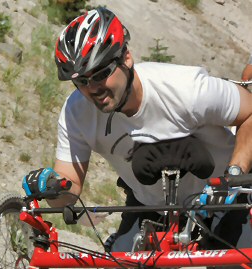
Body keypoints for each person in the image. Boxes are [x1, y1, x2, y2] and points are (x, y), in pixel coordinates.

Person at [22, 7, 252, 258]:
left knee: (236, 260)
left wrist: (235, 172)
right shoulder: (76, 113)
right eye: (82, 82)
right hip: (151, 204)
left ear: (127, 58)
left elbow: (250, 112)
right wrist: (53, 185)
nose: (93, 89)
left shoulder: (187, 89)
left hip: (224, 193)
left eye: (100, 74)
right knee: (120, 260)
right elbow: (69, 190)